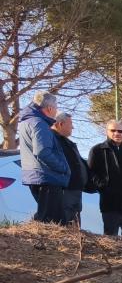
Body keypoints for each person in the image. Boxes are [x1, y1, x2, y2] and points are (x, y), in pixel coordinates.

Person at [16, 91, 69, 224]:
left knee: (50, 218)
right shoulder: (39, 123)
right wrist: (62, 167)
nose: (56, 111)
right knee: (52, 220)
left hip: (38, 176)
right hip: (47, 177)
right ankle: (35, 244)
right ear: (49, 108)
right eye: (56, 108)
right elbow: (42, 151)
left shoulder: (27, 122)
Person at [52, 113, 91, 228]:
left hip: (75, 188)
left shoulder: (66, 142)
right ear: (60, 124)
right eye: (71, 124)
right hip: (65, 188)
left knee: (74, 224)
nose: (72, 128)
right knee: (65, 222)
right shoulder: (53, 140)